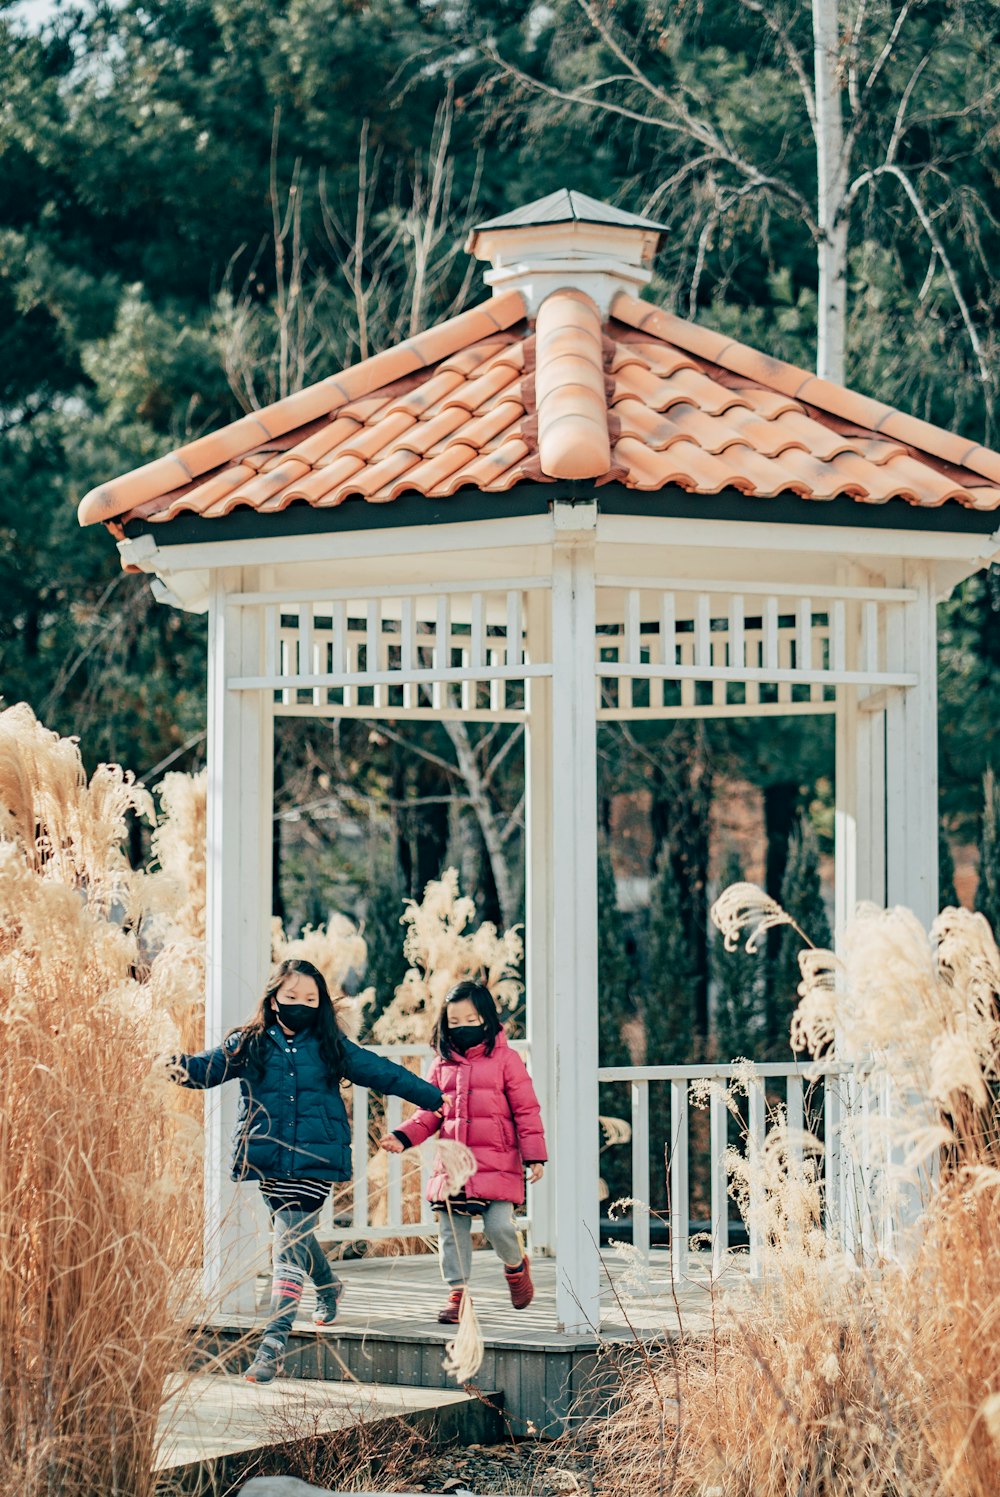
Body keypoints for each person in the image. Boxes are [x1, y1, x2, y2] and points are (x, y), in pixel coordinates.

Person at [168, 957, 443, 1383]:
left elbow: (382, 1071)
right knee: (295, 1235)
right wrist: (159, 1062)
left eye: (311, 998)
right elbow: (204, 1071)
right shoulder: (249, 1042)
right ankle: (329, 1286)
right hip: (270, 1157)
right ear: (274, 998)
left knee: (288, 1240)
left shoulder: (330, 1045)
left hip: (316, 1157)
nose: (300, 1004)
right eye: (291, 996)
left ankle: (272, 1344)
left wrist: (433, 1097)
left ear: (322, 1004)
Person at [379, 980, 547, 1324]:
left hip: (497, 1162)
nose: (463, 1028)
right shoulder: (441, 1065)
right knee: (452, 1232)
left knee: (499, 1226)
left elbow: (526, 1110)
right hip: (453, 1165)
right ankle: (458, 1294)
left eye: (471, 1020)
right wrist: (404, 1136)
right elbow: (428, 1113)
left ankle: (516, 1267)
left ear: (487, 1019)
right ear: (445, 1023)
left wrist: (534, 1155)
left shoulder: (507, 1060)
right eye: (455, 1022)